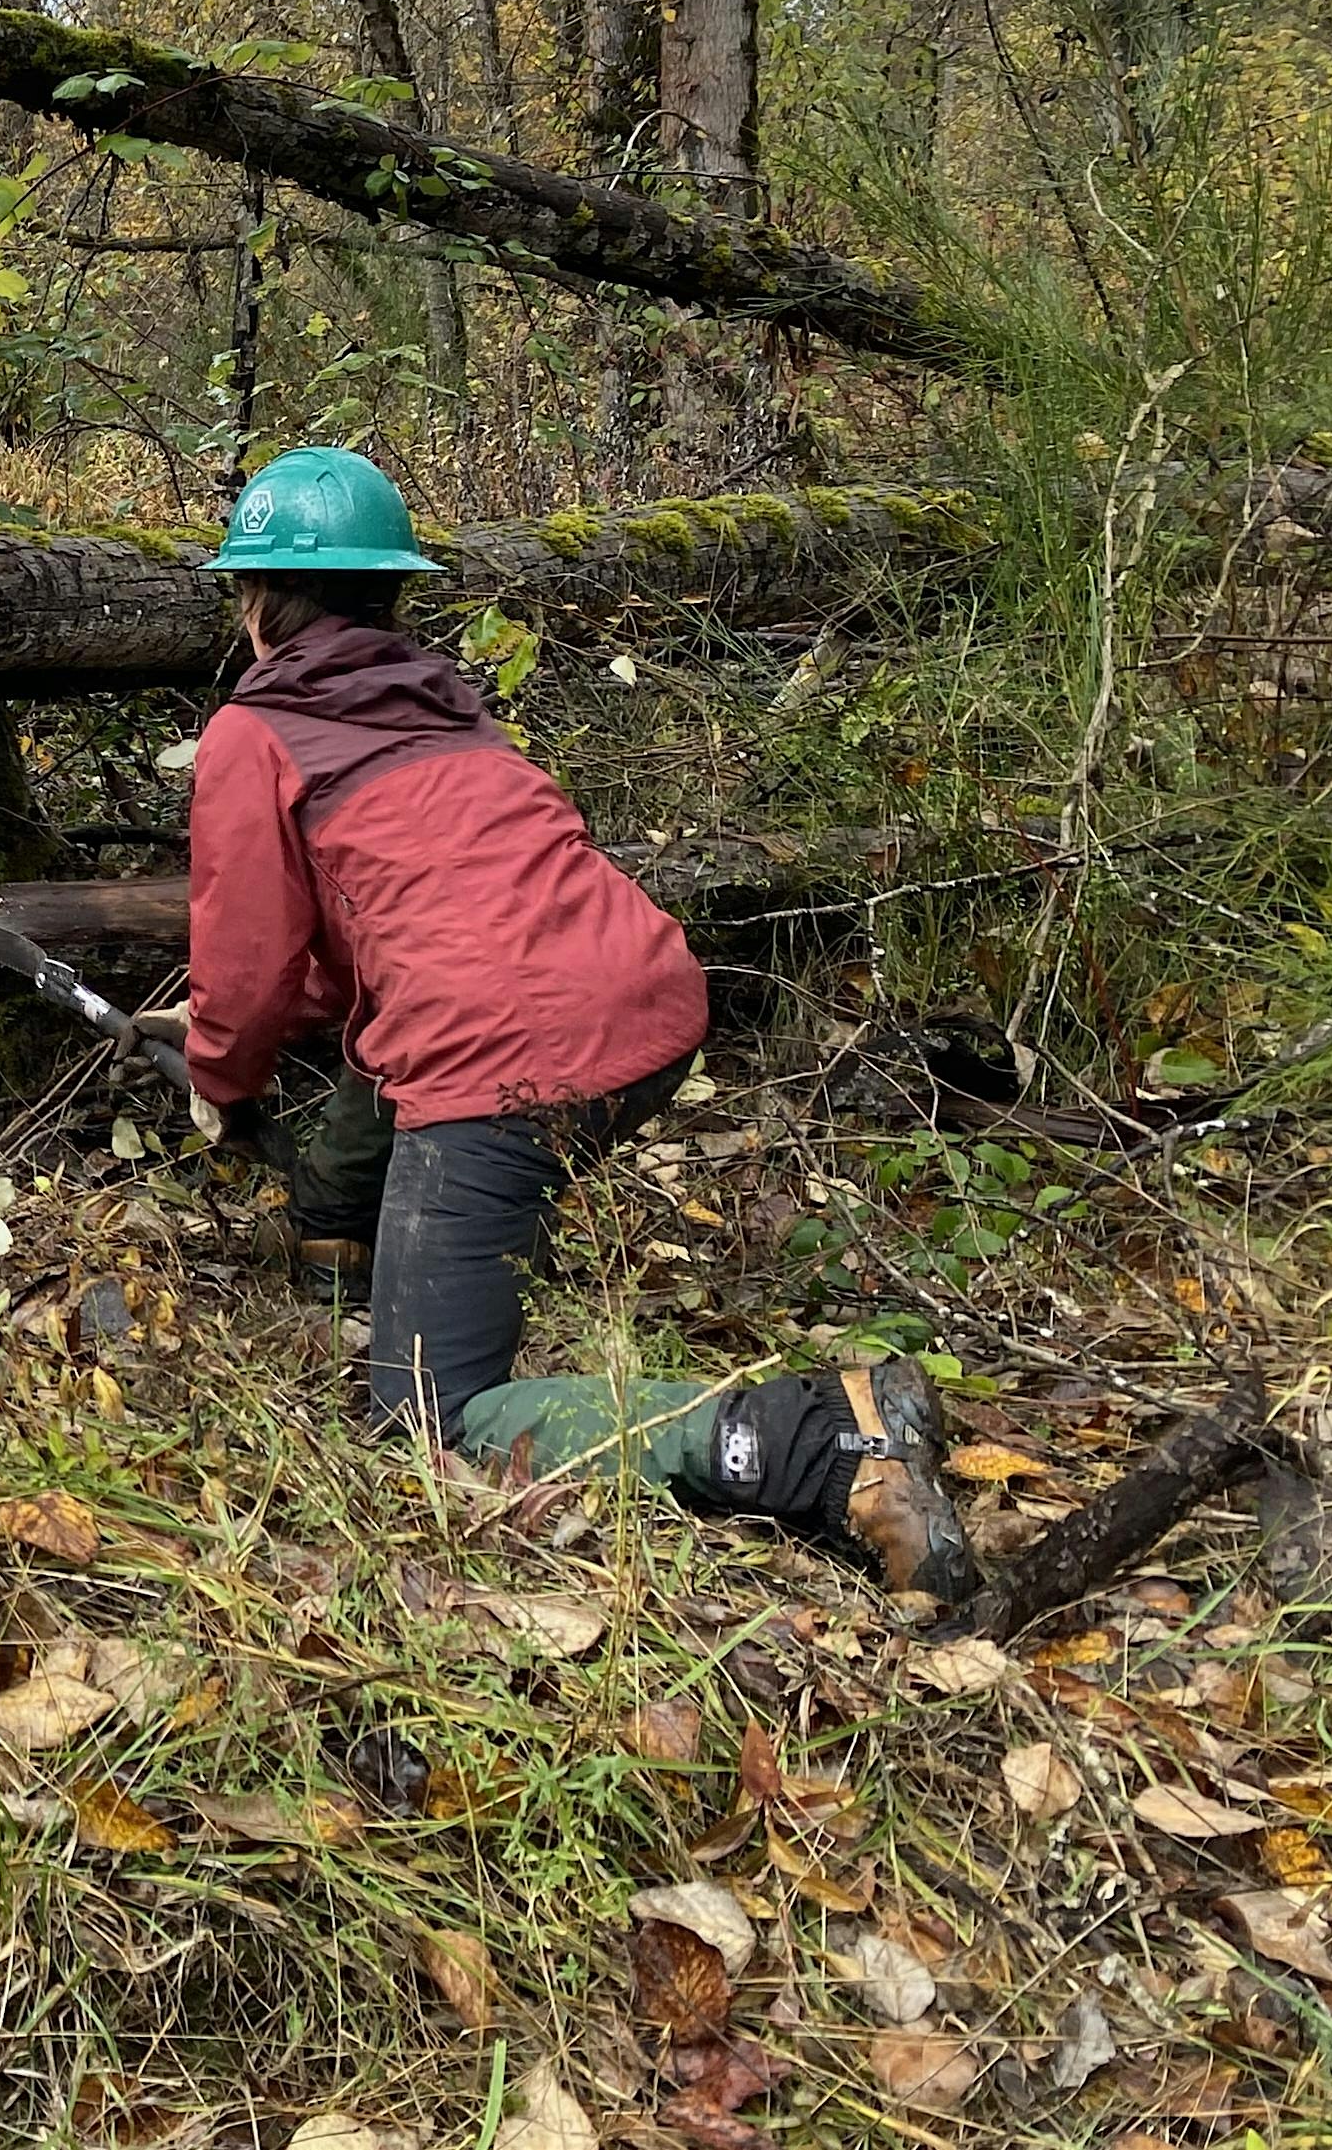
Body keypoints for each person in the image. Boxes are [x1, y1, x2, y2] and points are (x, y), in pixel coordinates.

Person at [161, 446, 978, 1604]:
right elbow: (407, 936)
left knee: (428, 1424)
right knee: (394, 1073)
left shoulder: (256, 731)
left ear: (255, 602)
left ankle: (820, 1441)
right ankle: (346, 1244)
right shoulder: (447, 708)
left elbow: (243, 974)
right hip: (646, 1006)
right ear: (389, 594)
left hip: (500, 1062)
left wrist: (219, 1075)